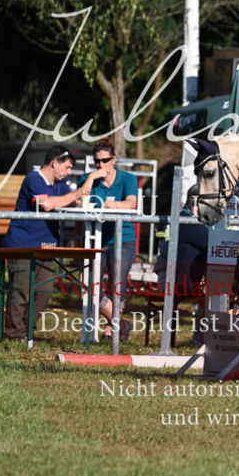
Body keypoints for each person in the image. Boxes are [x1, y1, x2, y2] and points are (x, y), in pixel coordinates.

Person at [2, 145, 87, 340]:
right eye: (67, 167)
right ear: (55, 163)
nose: (69, 172)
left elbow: (72, 202)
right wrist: (75, 194)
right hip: (22, 245)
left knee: (46, 290)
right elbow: (46, 204)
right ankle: (15, 334)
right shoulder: (33, 179)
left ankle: (26, 330)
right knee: (20, 290)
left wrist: (83, 197)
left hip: (46, 246)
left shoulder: (60, 184)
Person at [79, 139, 139, 342]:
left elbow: (131, 203)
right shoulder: (89, 178)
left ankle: (110, 330)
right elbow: (80, 201)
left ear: (114, 159)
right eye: (97, 161)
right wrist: (91, 177)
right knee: (88, 285)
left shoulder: (128, 178)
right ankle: (120, 323)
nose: (101, 165)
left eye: (105, 160)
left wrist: (116, 205)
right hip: (94, 239)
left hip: (123, 239)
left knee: (117, 286)